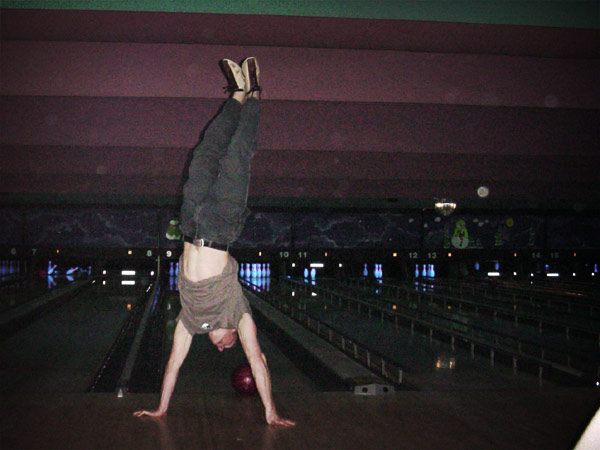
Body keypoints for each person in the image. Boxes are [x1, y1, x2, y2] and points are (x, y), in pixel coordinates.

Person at [134, 57, 295, 427]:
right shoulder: (239, 316)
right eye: (227, 345)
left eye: (221, 346)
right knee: (238, 156)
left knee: (205, 152)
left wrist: (161, 409)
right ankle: (255, 95)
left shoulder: (190, 323)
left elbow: (173, 364)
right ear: (234, 335)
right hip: (222, 227)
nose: (221, 346)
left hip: (191, 223)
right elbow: (259, 361)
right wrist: (270, 411)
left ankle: (236, 95)